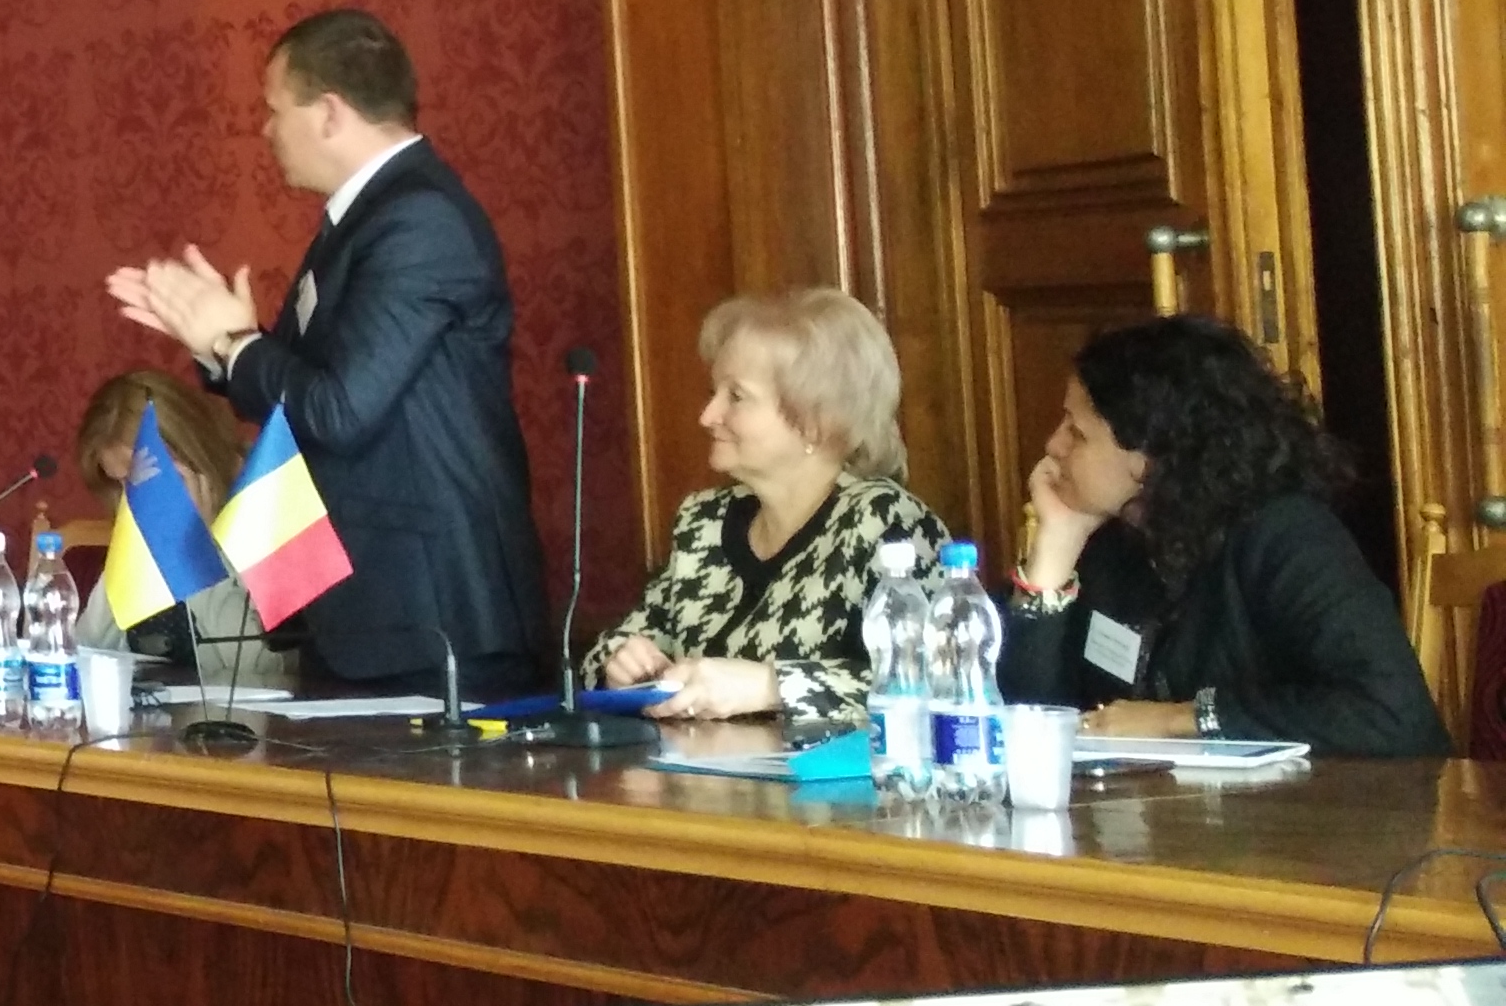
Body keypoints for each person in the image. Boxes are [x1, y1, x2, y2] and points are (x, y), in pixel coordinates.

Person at [106, 9, 547, 697]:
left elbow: (340, 410)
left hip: (436, 616)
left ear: (331, 113)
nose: (264, 130)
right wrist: (221, 346)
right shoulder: (362, 220)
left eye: (274, 110)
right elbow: (304, 386)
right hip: (366, 609)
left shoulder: (418, 219)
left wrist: (236, 343)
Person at [1002, 315, 1446, 759]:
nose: (1053, 446)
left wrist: (1181, 720)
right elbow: (1027, 727)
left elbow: (1393, 713)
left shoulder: (1287, 536)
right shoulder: (1114, 543)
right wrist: (1055, 549)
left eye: (1077, 432)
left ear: (1154, 453)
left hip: (1323, 801)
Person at [586, 289, 946, 718]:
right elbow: (605, 655)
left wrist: (771, 686)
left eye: (736, 397)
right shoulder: (704, 522)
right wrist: (621, 664)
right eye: (714, 392)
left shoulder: (886, 525)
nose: (707, 415)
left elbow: (936, 681)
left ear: (815, 421)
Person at [70, 365, 262, 670]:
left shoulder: (264, 497)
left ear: (190, 452)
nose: (132, 502)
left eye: (140, 482)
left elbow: (263, 669)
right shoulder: (140, 520)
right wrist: (128, 549)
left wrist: (197, 550)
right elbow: (82, 657)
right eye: (121, 485)